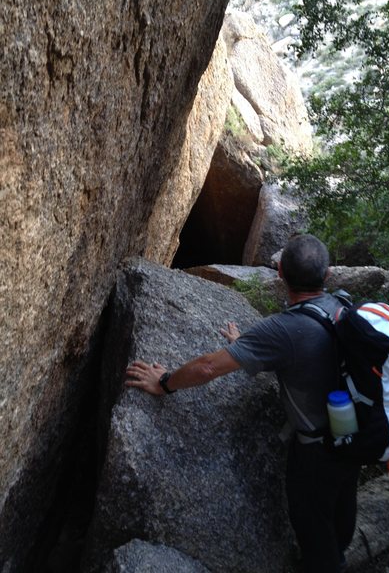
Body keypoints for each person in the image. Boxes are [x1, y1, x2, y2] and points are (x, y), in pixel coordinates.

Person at [125, 234, 360, 573]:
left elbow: (208, 366)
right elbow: (310, 356)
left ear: (279, 273)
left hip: (315, 454)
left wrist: (164, 383)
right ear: (327, 276)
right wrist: (249, 346)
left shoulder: (284, 329)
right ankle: (337, 554)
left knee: (313, 528)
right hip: (351, 433)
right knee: (341, 509)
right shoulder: (341, 307)